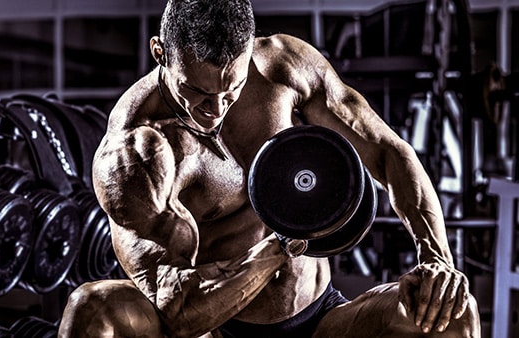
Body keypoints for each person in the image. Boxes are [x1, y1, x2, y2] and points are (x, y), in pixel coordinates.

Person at [58, 0, 480, 337]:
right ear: (159, 53)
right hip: (214, 327)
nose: (216, 109)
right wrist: (279, 248)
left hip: (320, 319)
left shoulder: (282, 68)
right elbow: (180, 313)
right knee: (93, 311)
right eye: (197, 92)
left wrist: (437, 258)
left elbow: (389, 152)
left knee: (452, 312)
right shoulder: (136, 153)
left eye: (231, 89)